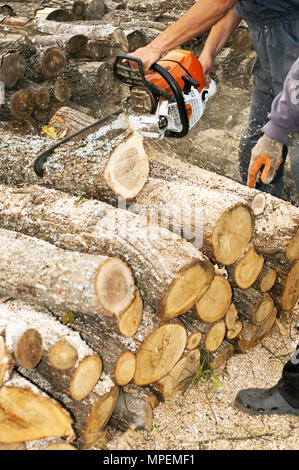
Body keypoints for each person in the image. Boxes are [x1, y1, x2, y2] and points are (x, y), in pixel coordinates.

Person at [129, 0, 299, 198]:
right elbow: (234, 5)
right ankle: (269, 216)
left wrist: (156, 48)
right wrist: (209, 52)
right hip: (269, 49)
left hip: (294, 47)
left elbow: (221, 1)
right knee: (252, 146)